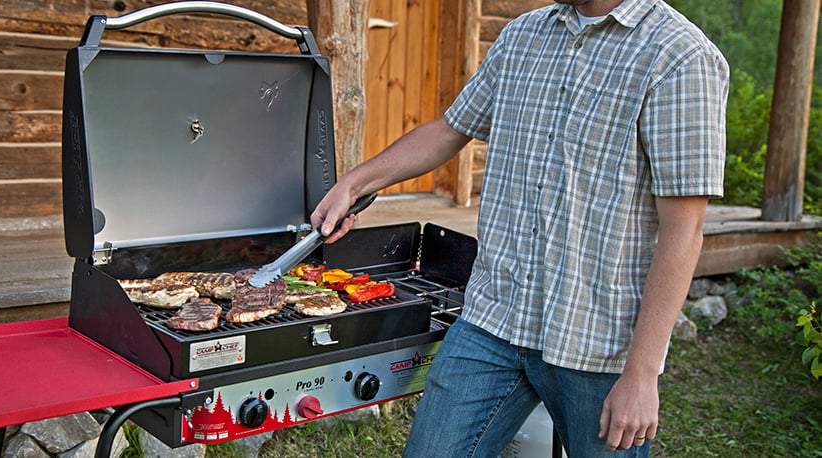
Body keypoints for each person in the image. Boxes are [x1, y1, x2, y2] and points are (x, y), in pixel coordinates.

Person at [311, 0, 728, 456]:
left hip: (597, 341)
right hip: (494, 319)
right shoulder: (521, 35)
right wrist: (354, 184)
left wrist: (642, 374)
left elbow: (683, 231)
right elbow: (451, 130)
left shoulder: (681, 55)